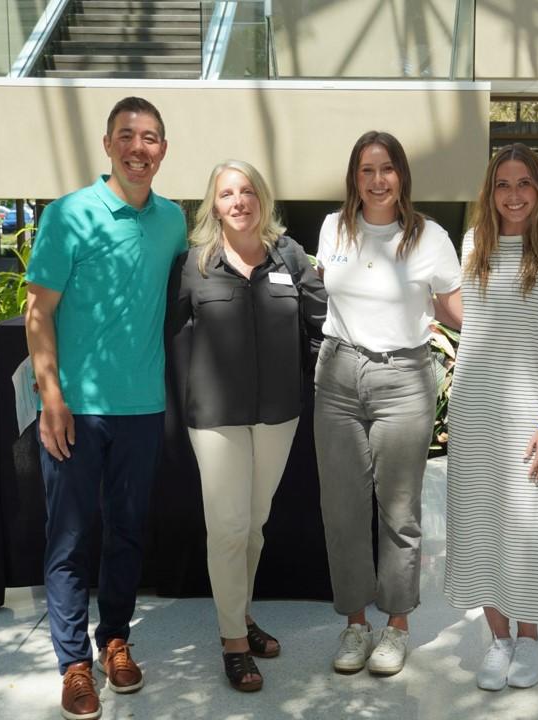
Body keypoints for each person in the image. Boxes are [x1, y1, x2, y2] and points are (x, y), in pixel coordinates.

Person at [24, 97, 187, 720]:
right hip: (77, 409)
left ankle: (114, 637)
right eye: (127, 136)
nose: (138, 148)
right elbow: (39, 311)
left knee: (125, 533)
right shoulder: (69, 215)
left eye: (150, 138)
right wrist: (52, 398)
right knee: (68, 537)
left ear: (163, 151)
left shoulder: (172, 221)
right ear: (108, 144)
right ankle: (73, 664)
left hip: (143, 409)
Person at [166, 160, 326, 692]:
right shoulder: (194, 264)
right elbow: (170, 336)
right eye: (227, 193)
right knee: (228, 526)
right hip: (214, 417)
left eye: (247, 191)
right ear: (213, 205)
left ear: (263, 198)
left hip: (278, 412)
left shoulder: (291, 256)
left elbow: (318, 328)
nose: (238, 201)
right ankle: (233, 639)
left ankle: (242, 613)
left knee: (255, 522)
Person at [314, 130, 463, 677]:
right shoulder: (334, 228)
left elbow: (454, 307)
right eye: (367, 170)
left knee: (399, 511)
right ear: (355, 178)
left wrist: (517, 326)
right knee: (342, 509)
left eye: (388, 169)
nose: (378, 180)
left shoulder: (430, 237)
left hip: (404, 377)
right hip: (337, 375)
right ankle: (355, 623)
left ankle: (397, 625)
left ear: (402, 174)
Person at [444, 143, 538, 691]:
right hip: (475, 406)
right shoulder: (473, 244)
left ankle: (529, 637)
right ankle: (498, 639)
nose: (514, 195)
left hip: (532, 413)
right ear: (490, 191)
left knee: (524, 529)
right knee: (477, 523)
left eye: (524, 182)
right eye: (503, 184)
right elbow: (473, 317)